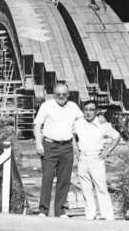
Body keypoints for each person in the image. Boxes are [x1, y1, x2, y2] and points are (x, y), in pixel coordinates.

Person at [33, 83, 82, 218]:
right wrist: (38, 143)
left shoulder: (73, 107)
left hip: (66, 147)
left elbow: (82, 121)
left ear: (68, 94)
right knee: (47, 177)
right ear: (54, 94)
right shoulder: (47, 106)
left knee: (64, 179)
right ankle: (43, 210)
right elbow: (37, 124)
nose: (61, 96)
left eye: (64, 94)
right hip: (49, 146)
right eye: (58, 94)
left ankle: (60, 210)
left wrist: (100, 120)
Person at [73, 100, 120, 220]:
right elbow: (72, 135)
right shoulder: (78, 123)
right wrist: (75, 148)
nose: (88, 112)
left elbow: (116, 136)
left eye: (91, 110)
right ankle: (90, 215)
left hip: (96, 159)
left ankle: (107, 216)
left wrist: (108, 150)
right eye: (86, 109)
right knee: (85, 188)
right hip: (82, 159)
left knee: (101, 187)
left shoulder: (103, 124)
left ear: (96, 111)